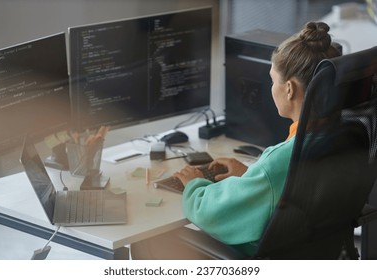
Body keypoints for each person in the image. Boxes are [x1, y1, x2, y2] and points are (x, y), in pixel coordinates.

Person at [130, 21, 342, 259]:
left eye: (273, 81)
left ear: (290, 89)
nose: (271, 88)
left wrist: (195, 184)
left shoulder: (280, 161)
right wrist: (248, 176)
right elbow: (291, 190)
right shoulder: (347, 138)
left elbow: (213, 214)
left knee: (149, 238)